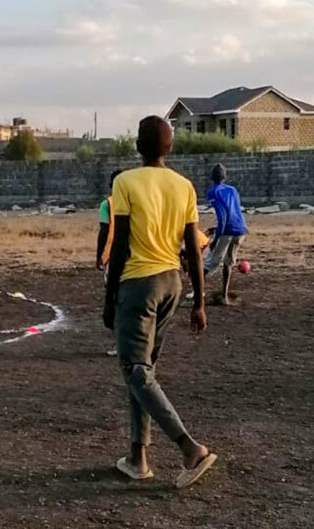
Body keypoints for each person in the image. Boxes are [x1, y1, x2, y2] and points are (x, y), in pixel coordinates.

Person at [104, 116, 217, 489]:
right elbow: (193, 248)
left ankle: (189, 448)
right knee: (143, 372)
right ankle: (137, 458)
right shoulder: (183, 186)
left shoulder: (125, 182)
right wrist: (199, 301)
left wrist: (110, 297)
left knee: (136, 370)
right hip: (172, 283)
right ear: (169, 147)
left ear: (137, 145)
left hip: (138, 283)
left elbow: (120, 247)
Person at [205, 164, 248, 305]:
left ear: (211, 178)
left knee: (210, 263)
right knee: (228, 262)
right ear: (225, 177)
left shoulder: (213, 192)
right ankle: (224, 296)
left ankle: (196, 293)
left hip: (226, 231)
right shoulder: (233, 190)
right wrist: (217, 228)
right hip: (241, 229)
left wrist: (216, 238)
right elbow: (233, 212)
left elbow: (223, 216)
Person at [96, 170, 124, 273]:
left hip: (112, 253)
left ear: (111, 185)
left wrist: (99, 256)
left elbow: (104, 230)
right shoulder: (135, 203)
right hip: (134, 255)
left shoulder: (107, 204)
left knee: (112, 286)